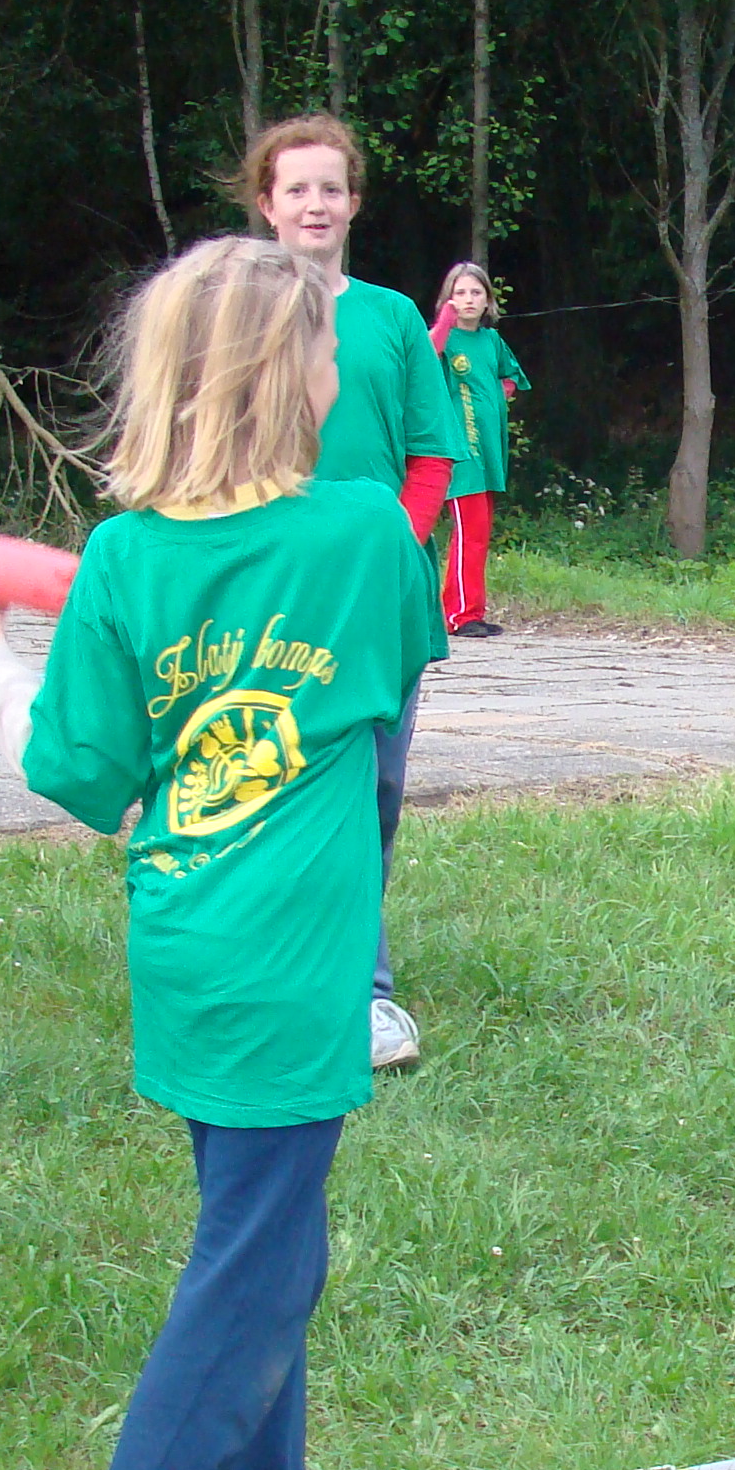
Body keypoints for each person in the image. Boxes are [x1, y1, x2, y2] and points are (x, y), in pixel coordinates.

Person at [0, 235, 442, 1470]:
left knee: (264, 1255)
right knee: (251, 1282)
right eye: (325, 350)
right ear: (287, 377)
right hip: (289, 968)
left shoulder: (129, 559)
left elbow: (78, 771)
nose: (342, 371)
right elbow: (392, 669)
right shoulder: (361, 536)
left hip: (193, 951)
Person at [241, 112, 456, 1072]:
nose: (316, 204)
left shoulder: (394, 318)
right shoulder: (233, 313)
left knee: (374, 786)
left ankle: (363, 994)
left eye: (332, 187)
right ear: (268, 204)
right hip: (270, 591)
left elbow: (433, 456)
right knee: (273, 778)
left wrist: (383, 554)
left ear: (355, 202)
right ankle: (278, 968)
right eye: (297, 188)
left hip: (380, 601)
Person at [432, 261, 525, 640]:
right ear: (449, 299)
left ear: (488, 300)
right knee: (468, 531)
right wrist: (444, 322)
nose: (469, 300)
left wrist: (501, 395)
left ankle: (468, 609)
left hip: (488, 453)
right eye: (460, 293)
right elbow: (425, 359)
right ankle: (459, 615)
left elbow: (511, 373)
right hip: (461, 454)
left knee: (479, 533)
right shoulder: (445, 341)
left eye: (476, 292)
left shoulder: (491, 341)